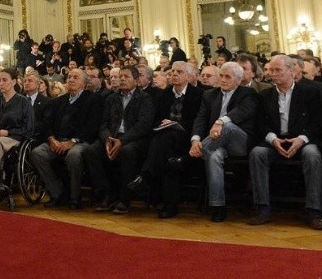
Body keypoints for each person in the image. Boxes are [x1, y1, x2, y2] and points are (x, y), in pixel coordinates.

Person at [247, 55, 322, 229]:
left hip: (302, 139)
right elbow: (260, 124)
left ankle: (314, 210)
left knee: (313, 155)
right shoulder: (265, 95)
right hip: (275, 140)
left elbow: (317, 122)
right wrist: (273, 139)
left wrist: (301, 139)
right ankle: (262, 208)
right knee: (257, 153)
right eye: (271, 70)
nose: (273, 74)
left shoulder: (309, 93)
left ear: (291, 71)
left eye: (278, 70)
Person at [126, 61, 203, 219]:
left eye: (179, 72)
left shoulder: (198, 94)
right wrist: (164, 123)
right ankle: (169, 206)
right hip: (165, 140)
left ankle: (145, 177)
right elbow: (156, 119)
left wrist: (176, 123)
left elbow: (198, 121)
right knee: (169, 160)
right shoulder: (165, 94)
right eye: (172, 71)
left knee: (164, 139)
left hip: (187, 138)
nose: (174, 74)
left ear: (188, 76)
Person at [189, 62, 258, 222]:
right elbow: (201, 119)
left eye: (228, 77)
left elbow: (242, 112)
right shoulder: (210, 95)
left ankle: (190, 156)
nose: (223, 79)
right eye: (221, 75)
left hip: (239, 141)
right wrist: (195, 140)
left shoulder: (248, 93)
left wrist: (220, 121)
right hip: (216, 142)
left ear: (239, 80)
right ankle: (218, 206)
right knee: (213, 157)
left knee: (228, 127)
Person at [85, 66, 154, 214]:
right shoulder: (111, 98)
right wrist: (107, 140)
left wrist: (122, 141)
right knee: (92, 151)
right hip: (111, 137)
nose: (121, 79)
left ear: (136, 80)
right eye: (120, 76)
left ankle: (125, 198)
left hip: (133, 139)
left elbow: (143, 125)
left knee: (127, 152)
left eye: (126, 76)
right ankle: (107, 194)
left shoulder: (144, 98)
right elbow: (103, 124)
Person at [31, 68, 98, 209]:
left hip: (80, 141)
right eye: (69, 77)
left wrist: (72, 142)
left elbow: (92, 126)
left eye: (75, 77)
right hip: (57, 140)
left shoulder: (93, 99)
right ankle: (58, 193)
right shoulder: (58, 101)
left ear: (84, 83)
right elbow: (47, 123)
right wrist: (51, 139)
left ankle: (75, 197)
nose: (71, 79)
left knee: (73, 156)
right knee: (38, 153)